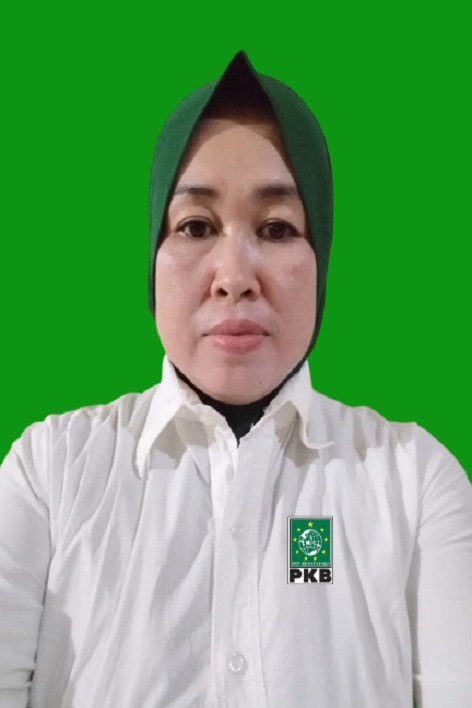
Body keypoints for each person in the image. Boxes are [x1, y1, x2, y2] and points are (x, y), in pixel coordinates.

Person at [0, 51, 471, 708]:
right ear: (152, 258)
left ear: (321, 258)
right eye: (195, 226)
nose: (234, 275)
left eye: (277, 228)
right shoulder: (50, 473)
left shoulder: (416, 481)